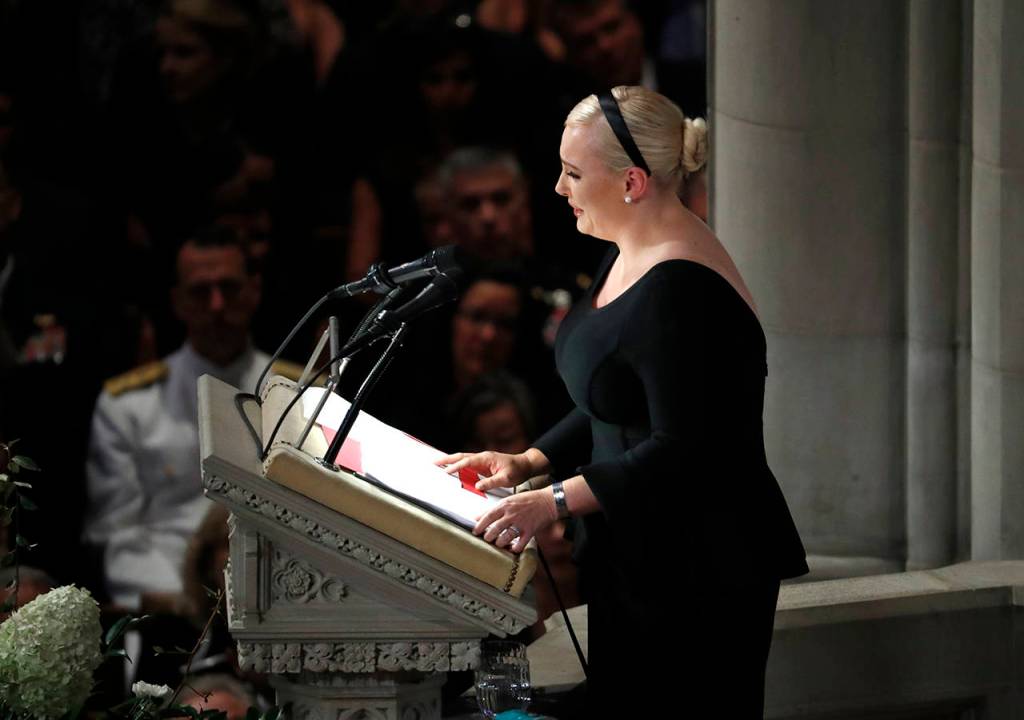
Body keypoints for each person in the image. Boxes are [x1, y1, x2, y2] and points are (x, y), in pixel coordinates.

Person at [439, 86, 808, 715]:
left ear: (632, 182)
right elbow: (615, 401)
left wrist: (552, 501)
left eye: (574, 173)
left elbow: (684, 448)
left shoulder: (682, 289)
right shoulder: (630, 252)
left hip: (699, 571)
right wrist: (530, 460)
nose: (559, 187)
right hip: (640, 554)